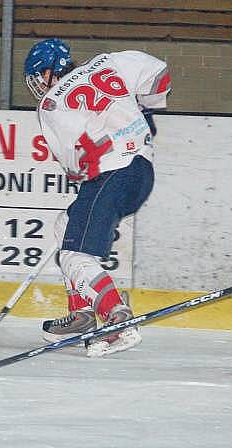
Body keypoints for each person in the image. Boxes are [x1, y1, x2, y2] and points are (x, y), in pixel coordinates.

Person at [23, 38, 170, 357]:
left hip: (111, 174)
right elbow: (160, 76)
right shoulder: (108, 61)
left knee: (75, 256)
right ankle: (83, 316)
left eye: (38, 77)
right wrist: (147, 109)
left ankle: (119, 319)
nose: (38, 86)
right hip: (142, 171)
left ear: (50, 73)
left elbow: (73, 163)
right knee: (65, 225)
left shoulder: (50, 104)